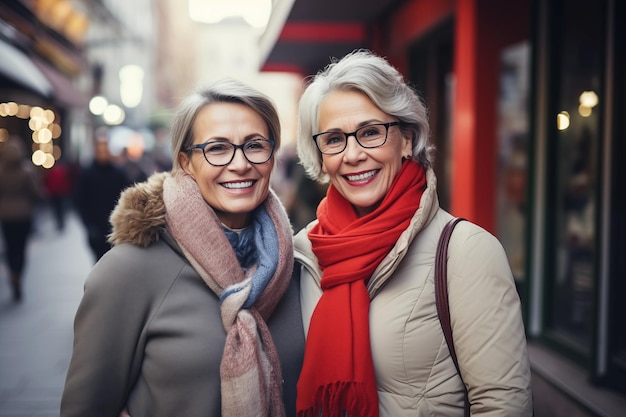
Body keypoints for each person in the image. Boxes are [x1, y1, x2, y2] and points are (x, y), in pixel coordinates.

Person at [293, 50, 533, 416]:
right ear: (320, 152)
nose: (353, 154)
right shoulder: (304, 251)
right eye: (334, 139)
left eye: (371, 132)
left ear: (406, 139)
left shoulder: (465, 252)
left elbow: (502, 404)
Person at [61, 79, 304, 417]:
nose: (240, 163)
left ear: (273, 155)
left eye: (255, 145)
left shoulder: (296, 268)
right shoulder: (127, 271)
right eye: (217, 148)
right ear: (186, 162)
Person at [74, 134, 132, 261]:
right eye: (100, 150)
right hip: (94, 226)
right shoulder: (87, 173)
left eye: (105, 149)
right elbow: (80, 200)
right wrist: (87, 224)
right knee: (98, 259)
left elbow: (126, 196)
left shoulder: (118, 173)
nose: (103, 153)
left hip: (114, 225)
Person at [0, 136, 43, 301]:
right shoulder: (26, 170)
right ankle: (17, 274)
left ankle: (12, 272)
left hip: (5, 215)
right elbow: (36, 192)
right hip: (24, 214)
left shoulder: (1, 171)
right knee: (21, 247)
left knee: (10, 247)